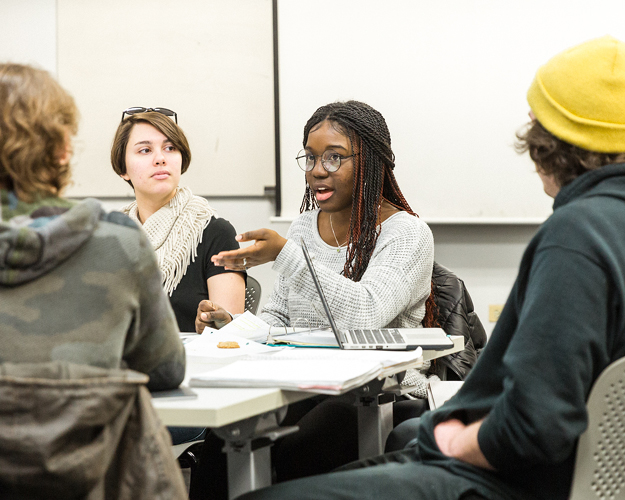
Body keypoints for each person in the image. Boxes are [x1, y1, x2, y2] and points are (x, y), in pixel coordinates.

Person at [236, 35, 625, 500]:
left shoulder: (575, 237)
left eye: (535, 118)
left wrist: (453, 439)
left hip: (511, 475)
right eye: (312, 157)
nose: (319, 169)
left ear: (549, 141)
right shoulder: (601, 228)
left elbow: (535, 424)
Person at [190, 100, 435, 495]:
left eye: (335, 158)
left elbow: (366, 314)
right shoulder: (303, 226)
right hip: (304, 381)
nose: (318, 170)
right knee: (219, 447)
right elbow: (278, 318)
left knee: (293, 448)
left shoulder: (406, 233)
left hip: (377, 389)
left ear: (370, 162)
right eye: (311, 157)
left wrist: (286, 256)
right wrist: (234, 325)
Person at [0, 64, 185, 389]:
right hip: (86, 438)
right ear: (63, 151)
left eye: (169, 148)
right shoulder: (119, 241)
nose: (160, 158)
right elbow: (166, 370)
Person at [110, 109, 245, 333]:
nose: (160, 158)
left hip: (193, 365)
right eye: (145, 150)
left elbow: (230, 336)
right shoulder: (111, 236)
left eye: (170, 148)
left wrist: (218, 324)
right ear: (123, 168)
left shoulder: (215, 233)